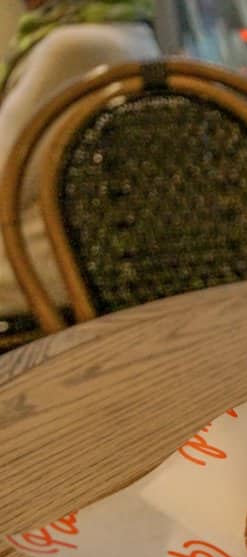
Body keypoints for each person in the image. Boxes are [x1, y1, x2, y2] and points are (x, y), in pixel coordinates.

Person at [0, 0, 159, 323]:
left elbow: (5, 179)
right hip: (94, 270)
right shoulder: (131, 29)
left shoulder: (68, 47)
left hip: (39, 280)